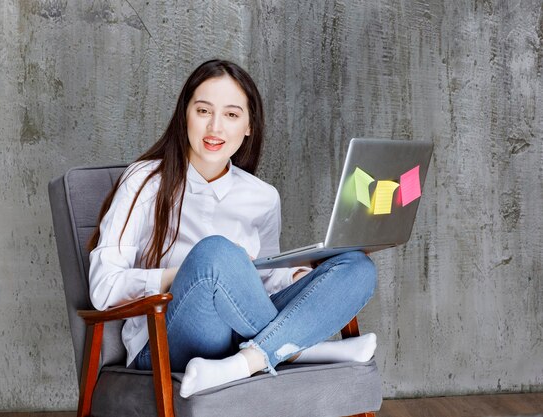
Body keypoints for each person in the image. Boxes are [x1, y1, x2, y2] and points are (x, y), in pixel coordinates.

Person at [87, 59, 377, 399]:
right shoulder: (144, 180)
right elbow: (103, 288)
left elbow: (265, 280)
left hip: (238, 339)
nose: (215, 128)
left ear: (249, 126)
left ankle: (250, 359)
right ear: (185, 116)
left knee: (357, 267)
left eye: (232, 115)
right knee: (216, 254)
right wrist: (179, 275)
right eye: (203, 111)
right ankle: (295, 347)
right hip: (166, 341)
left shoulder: (263, 197)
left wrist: (301, 278)